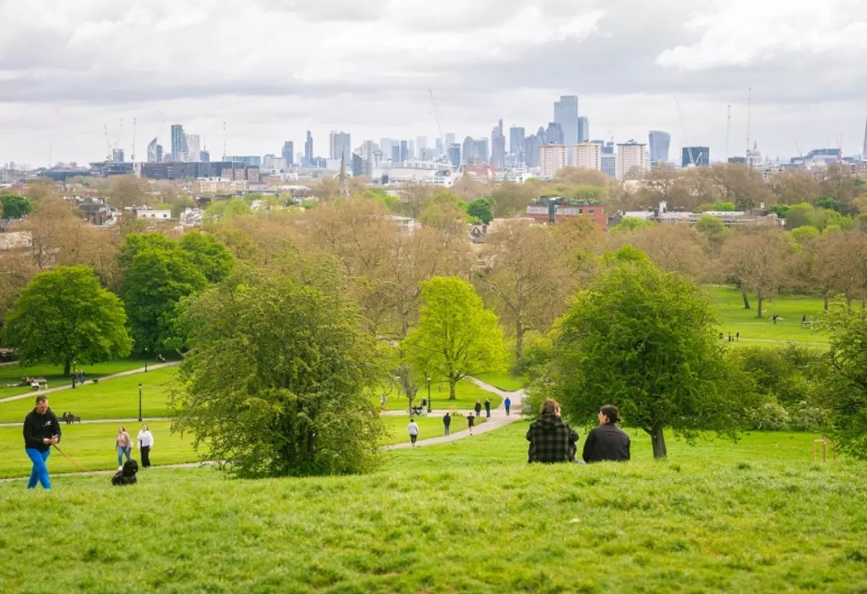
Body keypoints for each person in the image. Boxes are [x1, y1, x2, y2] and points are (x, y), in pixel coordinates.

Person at [23, 395, 61, 490]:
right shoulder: (29, 418)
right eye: (42, 407)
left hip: (45, 449)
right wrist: (41, 440)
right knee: (42, 468)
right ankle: (48, 490)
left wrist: (56, 438)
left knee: (37, 470)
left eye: (46, 407)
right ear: (36, 405)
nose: (44, 409)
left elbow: (57, 431)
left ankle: (30, 489)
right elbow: (27, 437)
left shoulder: (51, 415)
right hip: (32, 448)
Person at [526, 399, 578, 463]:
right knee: (571, 441)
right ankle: (573, 461)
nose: (560, 413)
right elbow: (576, 437)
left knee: (533, 442)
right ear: (556, 411)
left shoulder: (534, 426)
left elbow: (528, 437)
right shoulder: (564, 426)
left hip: (538, 461)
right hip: (562, 461)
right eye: (559, 411)